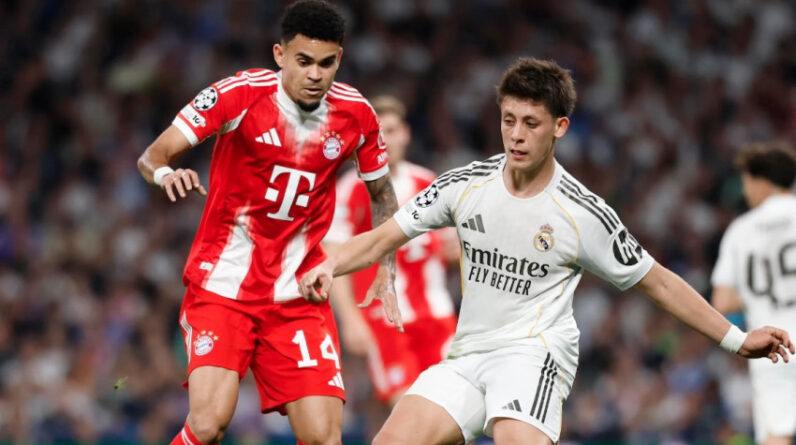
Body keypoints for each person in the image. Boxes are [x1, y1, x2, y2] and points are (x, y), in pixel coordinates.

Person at [299, 57, 794, 445]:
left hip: (532, 355)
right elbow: (381, 237)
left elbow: (658, 281)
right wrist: (330, 263)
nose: (516, 134)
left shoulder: (582, 213)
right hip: (467, 354)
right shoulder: (465, 184)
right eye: (508, 120)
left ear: (560, 127)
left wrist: (736, 339)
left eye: (531, 123)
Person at [136, 2, 402, 444]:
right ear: (280, 55)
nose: (315, 74)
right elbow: (152, 156)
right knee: (207, 425)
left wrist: (386, 269)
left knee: (324, 438)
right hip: (224, 286)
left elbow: (383, 195)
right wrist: (166, 174)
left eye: (326, 63)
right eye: (304, 61)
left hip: (298, 294)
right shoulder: (238, 95)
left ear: (339, 59)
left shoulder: (356, 114)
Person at [324, 96, 459, 409]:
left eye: (393, 130)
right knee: (407, 409)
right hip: (383, 320)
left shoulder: (428, 183)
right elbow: (334, 260)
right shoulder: (352, 189)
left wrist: (458, 251)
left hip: (436, 315)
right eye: (377, 133)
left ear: (406, 134)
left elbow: (449, 249)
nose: (386, 140)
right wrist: (350, 320)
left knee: (452, 408)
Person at [711, 141, 796, 445]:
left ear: (762, 182)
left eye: (746, 183)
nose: (745, 192)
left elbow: (722, 301)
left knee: (776, 435)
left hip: (773, 347)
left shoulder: (740, 231)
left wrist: (758, 295)